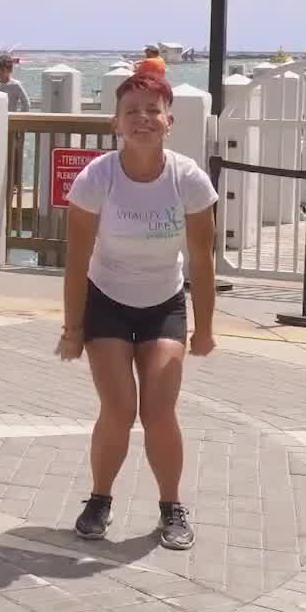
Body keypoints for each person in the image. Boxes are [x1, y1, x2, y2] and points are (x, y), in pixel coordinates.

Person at [58, 73, 217, 551]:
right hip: (106, 301)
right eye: (133, 111)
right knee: (120, 407)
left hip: (164, 303)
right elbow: (76, 260)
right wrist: (73, 328)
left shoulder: (188, 178)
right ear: (116, 123)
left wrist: (205, 329)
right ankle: (100, 499)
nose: (143, 119)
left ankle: (172, 507)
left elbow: (203, 260)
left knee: (159, 409)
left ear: (169, 121)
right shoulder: (97, 178)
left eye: (153, 110)